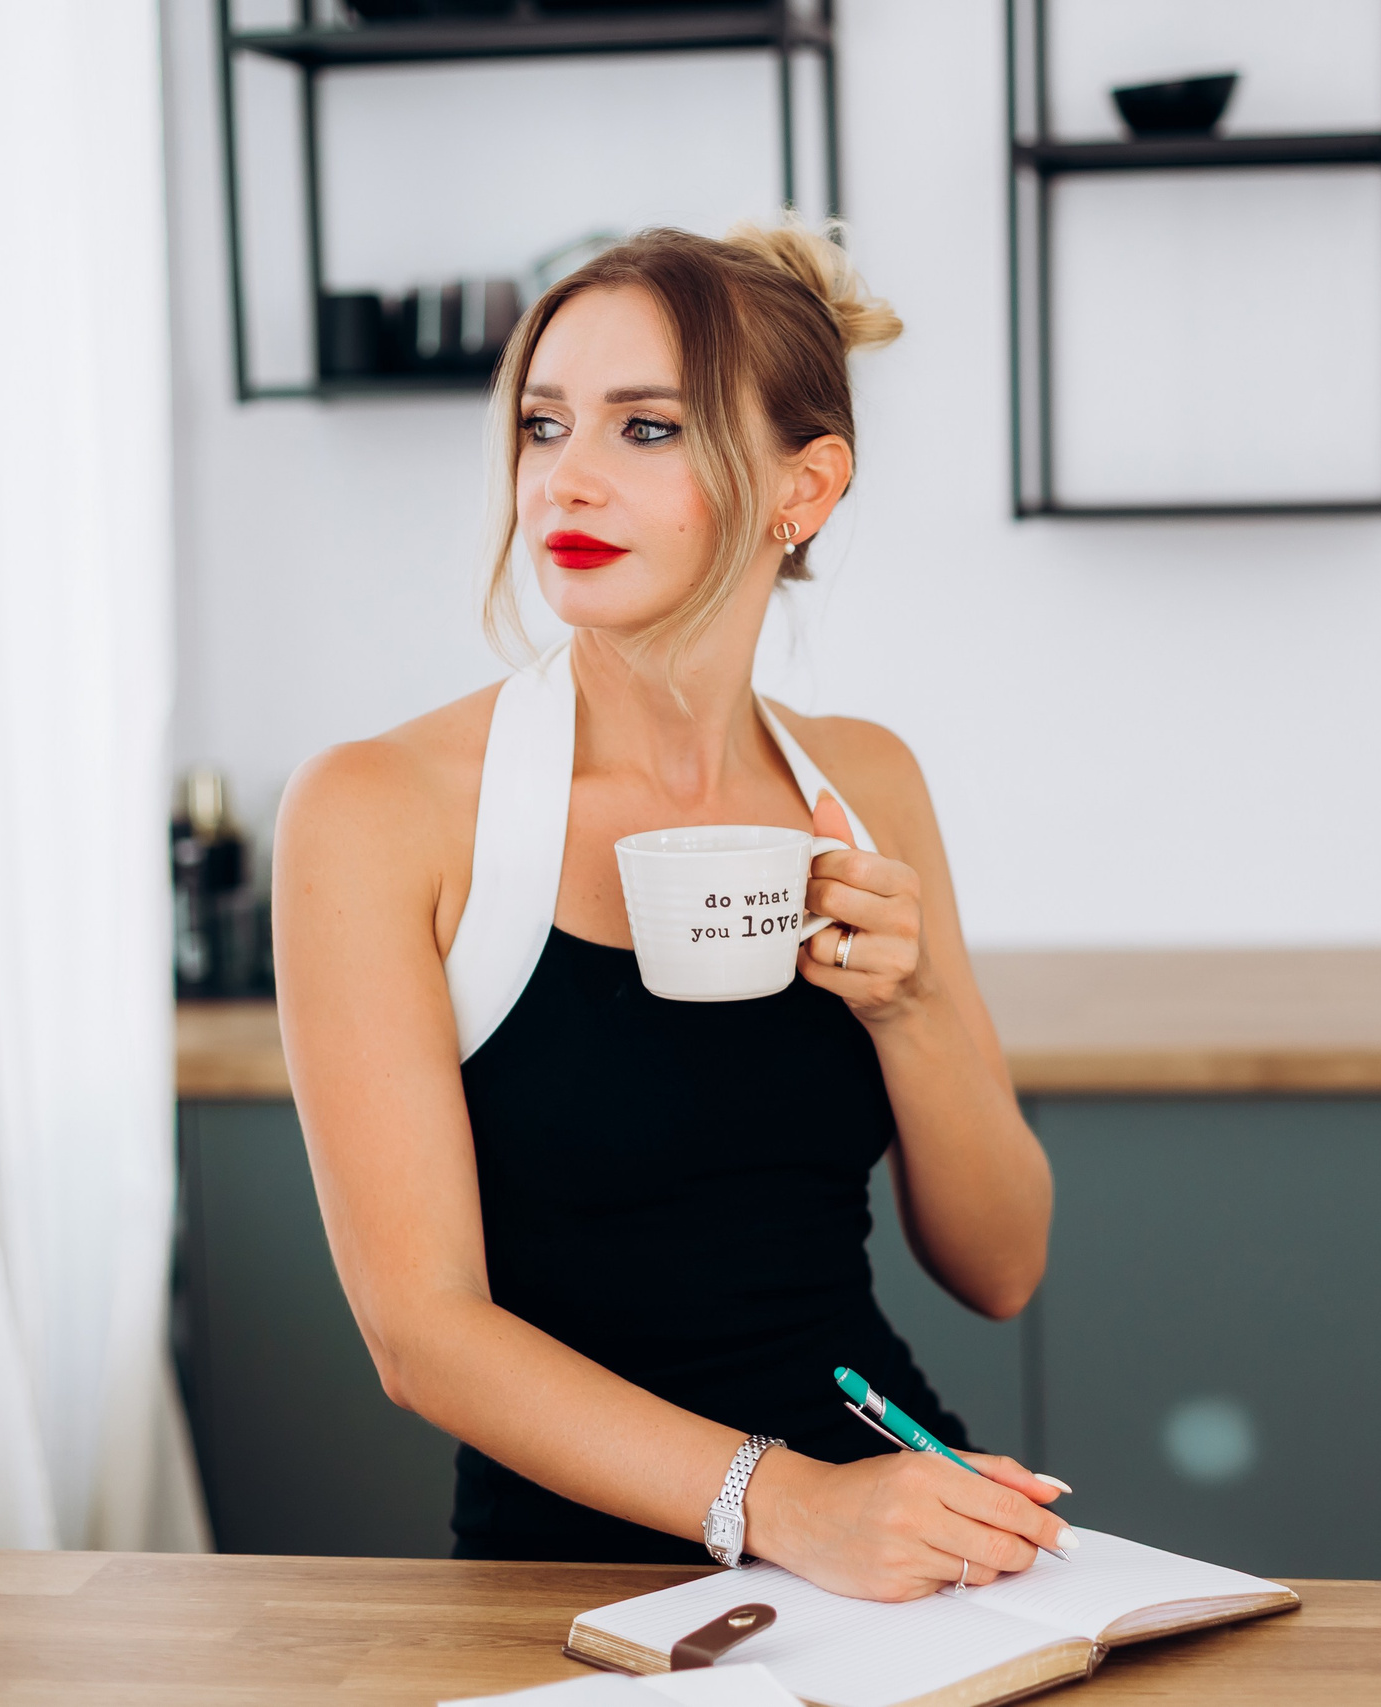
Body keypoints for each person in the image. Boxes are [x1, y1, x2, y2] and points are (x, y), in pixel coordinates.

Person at [272, 223, 1067, 1601]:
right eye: (543, 425)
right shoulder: (377, 811)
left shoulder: (864, 781)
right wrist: (793, 1505)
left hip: (897, 1515)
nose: (563, 479)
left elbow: (1002, 1268)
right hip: (568, 1579)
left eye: (646, 428)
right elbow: (421, 1334)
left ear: (802, 488)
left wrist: (912, 1002)